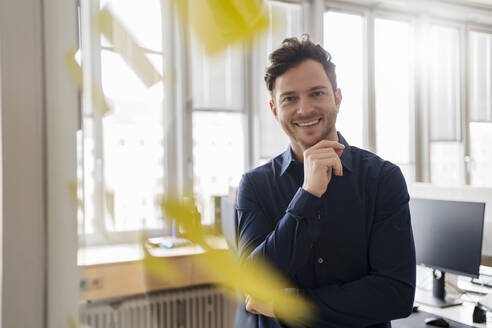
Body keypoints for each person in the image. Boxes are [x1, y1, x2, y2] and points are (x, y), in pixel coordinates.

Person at [236, 35, 416, 328]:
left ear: (338, 98)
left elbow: (395, 295)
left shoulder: (383, 179)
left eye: (317, 93)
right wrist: (307, 195)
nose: (304, 109)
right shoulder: (255, 186)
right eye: (290, 98)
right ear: (274, 110)